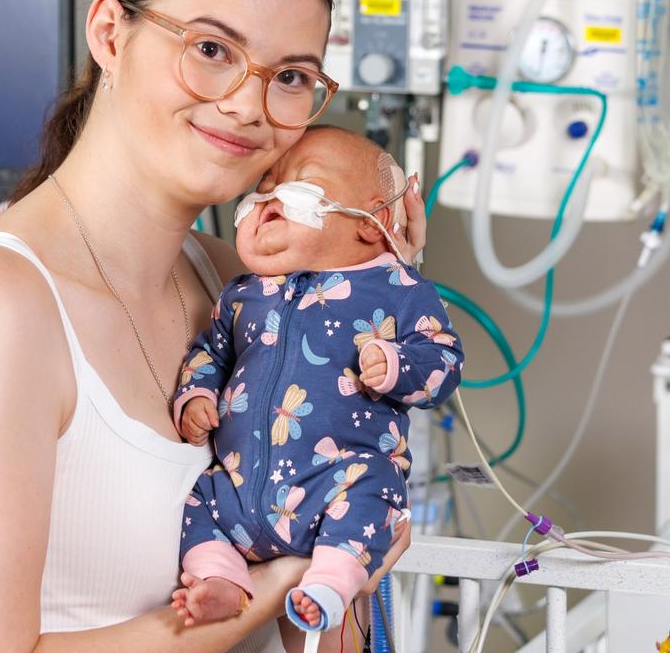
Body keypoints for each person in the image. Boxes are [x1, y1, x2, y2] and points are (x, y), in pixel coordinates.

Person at [0, 0, 426, 653]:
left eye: (292, 76)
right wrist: (273, 591)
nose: (247, 105)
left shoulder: (242, 290)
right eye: (210, 49)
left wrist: (380, 265)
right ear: (110, 32)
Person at [169, 127, 462, 632]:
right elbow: (211, 351)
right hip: (239, 489)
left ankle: (332, 581)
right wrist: (196, 392)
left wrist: (396, 366)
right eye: (264, 186)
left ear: (372, 223)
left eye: (301, 186)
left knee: (374, 486)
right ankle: (220, 578)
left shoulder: (399, 288)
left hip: (338, 481)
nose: (270, 198)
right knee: (199, 500)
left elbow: (444, 360)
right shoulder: (241, 294)